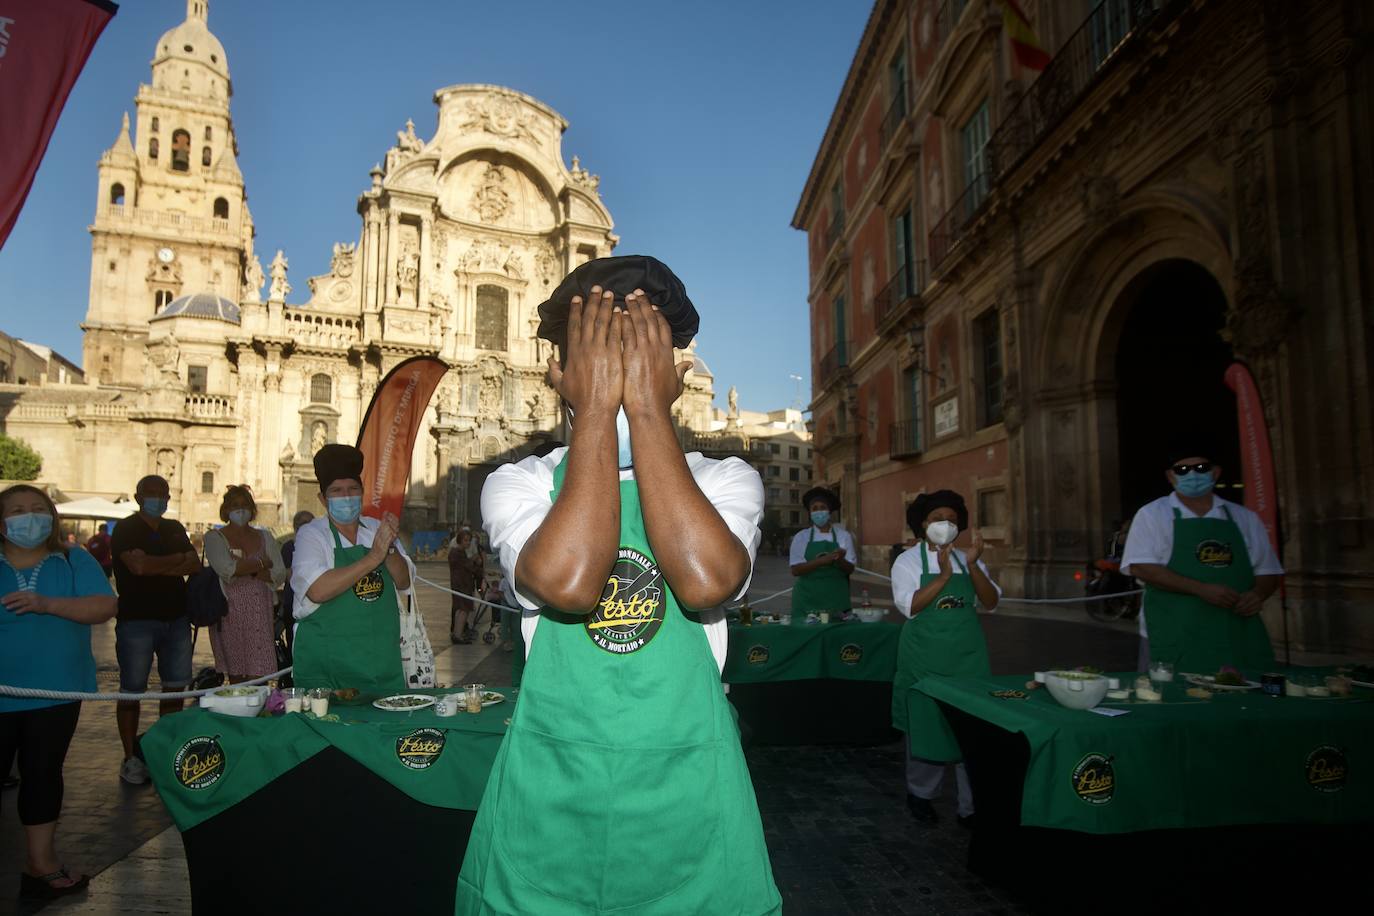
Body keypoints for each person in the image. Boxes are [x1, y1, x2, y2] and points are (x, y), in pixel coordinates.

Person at [459, 256, 780, 914]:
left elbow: (705, 581)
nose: (625, 364)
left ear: (675, 368)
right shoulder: (517, 483)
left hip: (688, 788)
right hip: (552, 792)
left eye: (641, 348)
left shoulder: (725, 481)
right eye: (605, 348)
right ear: (560, 371)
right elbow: (571, 583)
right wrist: (600, 412)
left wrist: (644, 407)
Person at [0, 485, 116, 899]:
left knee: (43, 774)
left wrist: (47, 604)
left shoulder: (73, 558)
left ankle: (41, 862)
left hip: (56, 692)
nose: (29, 517)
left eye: (37, 509)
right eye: (17, 510)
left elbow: (104, 606)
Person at [1120, 438, 1283, 672]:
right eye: (1183, 470)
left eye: (1201, 468)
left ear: (1215, 473)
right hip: (1174, 629)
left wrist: (1258, 594)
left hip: (1234, 629)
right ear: (1170, 476)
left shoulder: (1243, 517)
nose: (1192, 475)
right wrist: (1200, 589)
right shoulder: (1153, 514)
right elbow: (1141, 567)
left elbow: (1268, 571)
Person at [890, 489, 1000, 827]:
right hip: (925, 658)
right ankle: (920, 794)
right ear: (923, 523)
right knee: (926, 727)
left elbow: (991, 601)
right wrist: (943, 578)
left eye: (952, 520)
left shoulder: (969, 559)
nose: (945, 524)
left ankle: (971, 805)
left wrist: (971, 567)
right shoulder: (907, 562)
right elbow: (910, 606)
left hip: (968, 659)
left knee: (971, 729)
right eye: (938, 519)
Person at [289, 444, 414, 693]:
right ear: (322, 499)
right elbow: (318, 590)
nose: (345, 496)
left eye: (352, 489)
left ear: (362, 492)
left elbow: (403, 581)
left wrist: (388, 548)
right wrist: (372, 558)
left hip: (380, 667)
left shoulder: (375, 528)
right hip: (328, 670)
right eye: (336, 491)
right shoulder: (312, 535)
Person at [110, 475, 199, 785]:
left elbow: (194, 565)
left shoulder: (174, 528)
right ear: (138, 496)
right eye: (152, 493)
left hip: (176, 619)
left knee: (175, 688)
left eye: (163, 493)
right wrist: (173, 562)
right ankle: (129, 757)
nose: (158, 498)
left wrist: (154, 563)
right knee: (131, 689)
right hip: (137, 619)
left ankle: (165, 751)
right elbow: (137, 568)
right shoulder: (126, 529)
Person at [204, 486, 287, 682]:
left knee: (259, 676)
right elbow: (226, 570)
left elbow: (279, 573)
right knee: (236, 676)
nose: (240, 510)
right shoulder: (214, 537)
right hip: (229, 614)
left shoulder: (265, 537)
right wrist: (260, 564)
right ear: (226, 509)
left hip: (260, 613)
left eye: (245, 505)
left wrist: (246, 568)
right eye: (235, 505)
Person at [788, 486, 856, 621]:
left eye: (823, 507)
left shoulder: (843, 536)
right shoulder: (801, 537)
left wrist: (840, 560)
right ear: (810, 512)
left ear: (829, 511)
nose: (819, 512)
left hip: (837, 598)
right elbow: (796, 570)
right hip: (807, 599)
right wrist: (822, 561)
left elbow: (850, 569)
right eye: (814, 508)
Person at [278, 510, 314, 653]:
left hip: (315, 603)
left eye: (310, 523)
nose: (306, 526)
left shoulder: (320, 545)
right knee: (294, 641)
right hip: (293, 602)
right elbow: (289, 575)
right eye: (302, 523)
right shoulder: (288, 547)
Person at [447, 529, 480, 643]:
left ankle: (457, 633)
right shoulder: (457, 553)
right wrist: (474, 560)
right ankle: (458, 634)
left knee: (460, 610)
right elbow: (467, 566)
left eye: (469, 541)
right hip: (462, 585)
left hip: (460, 584)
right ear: (460, 540)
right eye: (466, 540)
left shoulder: (459, 552)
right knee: (464, 610)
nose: (468, 543)